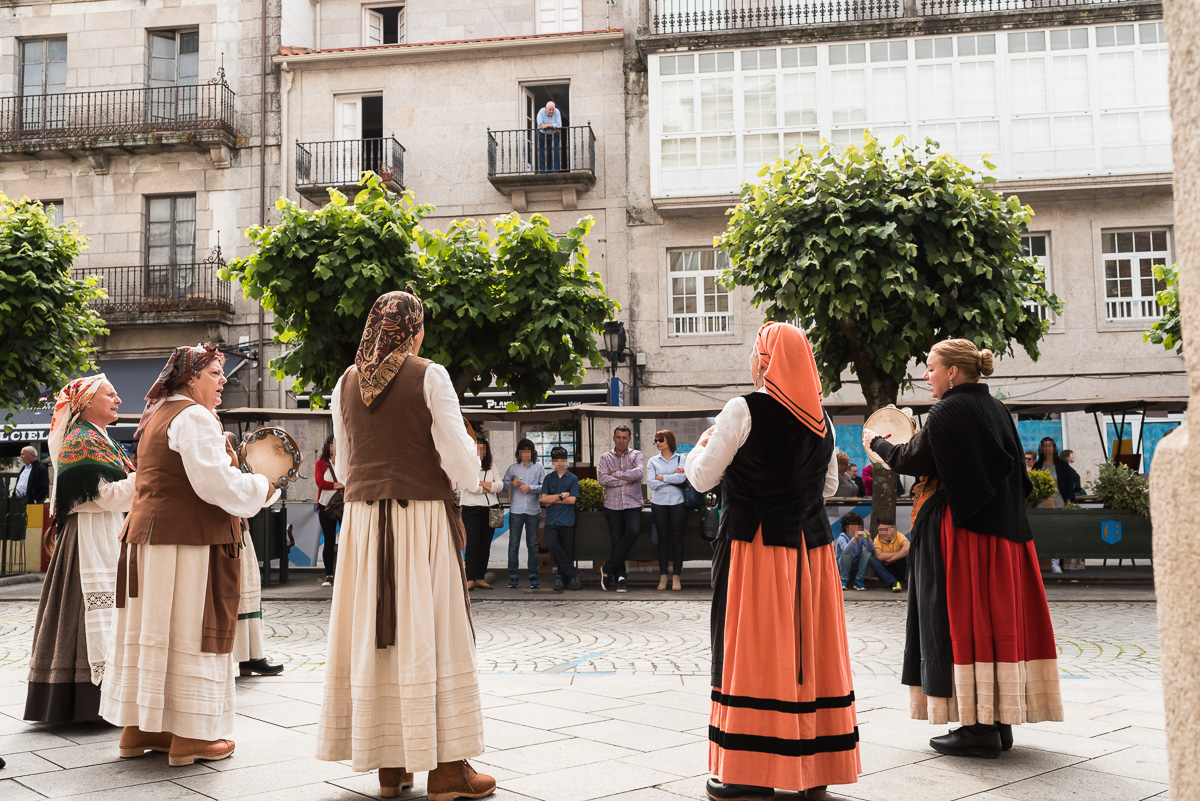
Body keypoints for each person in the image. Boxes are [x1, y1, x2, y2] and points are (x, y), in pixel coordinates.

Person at [317, 290, 494, 801]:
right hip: (418, 517)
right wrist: (471, 480)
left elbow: (346, 464)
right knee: (429, 627)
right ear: (414, 329)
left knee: (376, 634)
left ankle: (390, 766)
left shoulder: (346, 381)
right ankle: (447, 769)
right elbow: (460, 463)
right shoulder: (429, 374)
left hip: (363, 522)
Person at [864, 338, 1063, 759]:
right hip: (1005, 538)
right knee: (994, 624)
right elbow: (1015, 478)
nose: (926, 375)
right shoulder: (997, 410)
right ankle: (997, 723)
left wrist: (876, 443)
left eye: (932, 368)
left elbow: (911, 457)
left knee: (963, 621)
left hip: (966, 538)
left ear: (953, 372)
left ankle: (977, 729)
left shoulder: (950, 410)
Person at [686, 322, 860, 801]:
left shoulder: (743, 408)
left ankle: (750, 771)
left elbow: (702, 479)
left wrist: (698, 448)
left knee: (756, 650)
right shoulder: (817, 416)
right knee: (809, 650)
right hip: (811, 551)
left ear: (765, 362)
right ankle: (814, 767)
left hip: (757, 549)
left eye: (754, 352)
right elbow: (828, 489)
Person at [102, 344, 280, 767]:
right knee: (187, 630)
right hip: (186, 547)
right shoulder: (194, 416)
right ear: (190, 378)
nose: (222, 380)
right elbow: (214, 485)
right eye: (216, 372)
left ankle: (143, 727)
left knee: (155, 632)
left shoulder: (157, 415)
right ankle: (191, 737)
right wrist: (263, 488)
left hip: (149, 543)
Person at [25, 376, 135, 724]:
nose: (118, 399)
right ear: (86, 403)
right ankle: (87, 703)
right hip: (89, 536)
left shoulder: (99, 438)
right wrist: (148, 478)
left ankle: (98, 699)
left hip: (105, 531)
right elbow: (102, 496)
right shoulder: (82, 440)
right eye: (110, 393)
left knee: (101, 610)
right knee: (88, 607)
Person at [224, 433, 284, 679]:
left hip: (238, 529)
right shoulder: (214, 448)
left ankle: (251, 657)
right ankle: (247, 657)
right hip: (227, 532)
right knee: (236, 594)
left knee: (247, 591)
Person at [597, 425, 644, 594]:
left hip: (633, 503)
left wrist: (616, 474)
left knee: (633, 531)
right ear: (613, 438)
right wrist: (625, 479)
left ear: (629, 439)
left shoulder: (636, 455)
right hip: (613, 505)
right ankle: (622, 578)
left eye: (625, 437)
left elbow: (638, 473)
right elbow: (602, 478)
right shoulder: (605, 457)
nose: (621, 440)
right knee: (616, 541)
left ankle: (608, 568)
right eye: (619, 437)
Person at [647, 428, 687, 591]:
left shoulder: (681, 458)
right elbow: (651, 483)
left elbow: (682, 478)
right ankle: (663, 575)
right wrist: (672, 477)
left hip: (678, 502)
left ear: (669, 441)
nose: (657, 443)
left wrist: (663, 477)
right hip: (659, 502)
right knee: (662, 539)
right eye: (656, 440)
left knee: (677, 538)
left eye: (660, 440)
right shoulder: (652, 461)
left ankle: (676, 576)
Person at [461, 437, 502, 590]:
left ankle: (480, 577)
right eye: (478, 448)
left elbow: (500, 485)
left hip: (491, 508)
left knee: (485, 545)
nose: (480, 451)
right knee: (472, 544)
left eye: (483, 448)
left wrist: (483, 486)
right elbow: (469, 486)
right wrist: (487, 487)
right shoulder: (467, 466)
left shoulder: (491, 466)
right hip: (471, 508)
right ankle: (470, 578)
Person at [503, 438, 545, 589]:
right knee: (513, 544)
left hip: (533, 510)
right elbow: (503, 484)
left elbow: (544, 486)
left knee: (533, 545)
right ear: (519, 453)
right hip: (516, 510)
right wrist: (511, 484)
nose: (525, 454)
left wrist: (531, 488)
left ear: (532, 453)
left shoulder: (539, 468)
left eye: (528, 451)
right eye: (522, 451)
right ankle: (513, 577)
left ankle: (533, 576)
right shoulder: (513, 468)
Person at [540, 446, 581, 592]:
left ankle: (561, 578)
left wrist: (553, 500)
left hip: (567, 520)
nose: (559, 462)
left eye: (562, 459)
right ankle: (573, 573)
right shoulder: (548, 478)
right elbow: (544, 500)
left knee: (566, 551)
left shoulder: (573, 478)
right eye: (556, 459)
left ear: (566, 460)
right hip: (551, 520)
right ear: (553, 461)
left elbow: (572, 500)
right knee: (553, 546)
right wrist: (560, 496)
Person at [314, 435, 343, 587]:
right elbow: (320, 482)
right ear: (328, 447)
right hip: (326, 505)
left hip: (343, 505)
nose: (335, 448)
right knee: (329, 540)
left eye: (338, 444)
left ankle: (345, 573)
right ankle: (329, 575)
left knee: (346, 540)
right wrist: (339, 485)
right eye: (333, 445)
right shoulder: (321, 463)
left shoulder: (345, 463)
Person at [834, 512, 871, 591]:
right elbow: (846, 551)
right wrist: (854, 538)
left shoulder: (861, 536)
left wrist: (868, 539)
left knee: (867, 552)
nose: (856, 528)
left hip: (855, 567)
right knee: (847, 553)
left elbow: (871, 549)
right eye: (853, 525)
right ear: (846, 527)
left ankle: (859, 579)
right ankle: (843, 580)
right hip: (842, 568)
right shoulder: (842, 536)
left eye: (858, 525)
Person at [868, 524, 908, 592]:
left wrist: (893, 558)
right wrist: (899, 552)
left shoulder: (898, 535)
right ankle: (893, 582)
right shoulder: (877, 539)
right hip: (885, 569)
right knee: (872, 560)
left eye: (886, 530)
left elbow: (907, 548)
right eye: (880, 530)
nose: (883, 533)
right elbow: (879, 556)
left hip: (899, 568)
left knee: (907, 555)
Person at [536, 100, 562, 172]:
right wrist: (554, 126)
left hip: (553, 134)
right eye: (550, 109)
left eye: (552, 110)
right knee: (542, 152)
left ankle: (555, 171)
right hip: (541, 134)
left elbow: (559, 125)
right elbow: (540, 126)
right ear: (546, 108)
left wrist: (547, 125)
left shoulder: (557, 112)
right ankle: (542, 171)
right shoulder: (541, 112)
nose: (551, 111)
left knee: (556, 152)